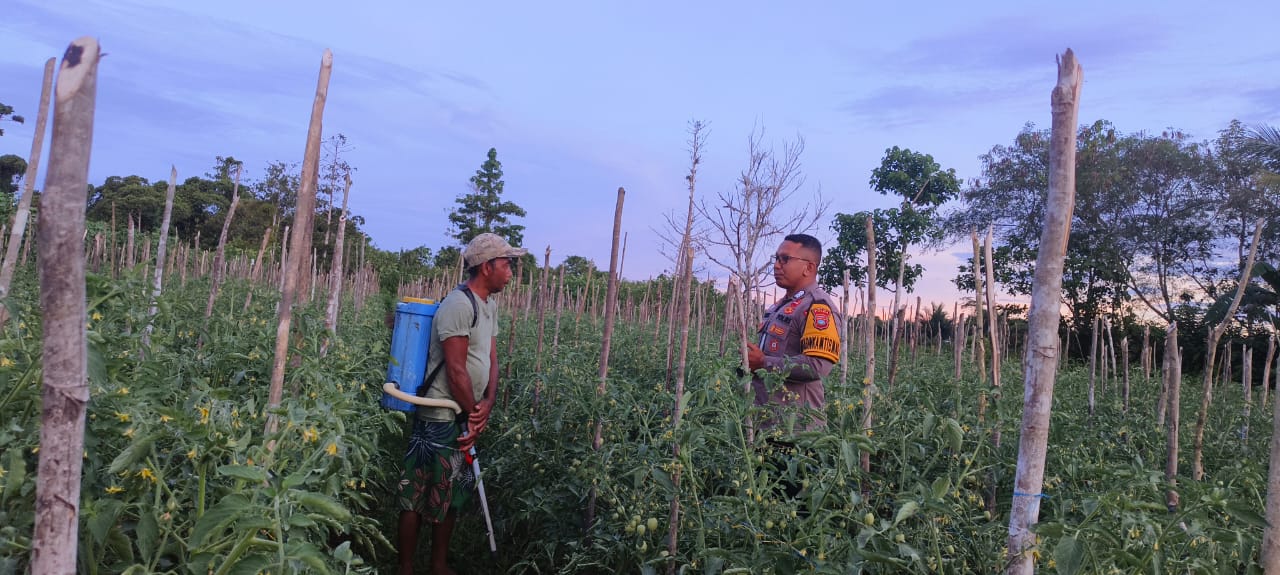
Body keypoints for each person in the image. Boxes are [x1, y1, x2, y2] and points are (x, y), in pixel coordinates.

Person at [397, 233, 525, 575]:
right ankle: (406, 567)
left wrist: (488, 402)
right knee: (418, 492)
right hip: (439, 414)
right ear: (487, 267)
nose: (511, 271)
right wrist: (472, 414)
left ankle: (438, 565)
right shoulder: (457, 304)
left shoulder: (489, 305)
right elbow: (455, 370)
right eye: (507, 264)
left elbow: (490, 358)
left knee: (451, 491)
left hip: (465, 412)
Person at [746, 233, 842, 435]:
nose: (777, 265)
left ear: (809, 267)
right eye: (777, 258)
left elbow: (818, 366)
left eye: (785, 259)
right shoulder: (781, 306)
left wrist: (763, 363)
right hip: (767, 423)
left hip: (797, 432)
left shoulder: (817, 307)